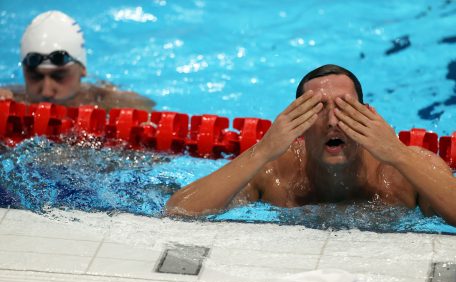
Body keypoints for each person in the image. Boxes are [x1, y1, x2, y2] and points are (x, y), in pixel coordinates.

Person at [166, 64, 456, 226]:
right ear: (298, 120)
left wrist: (397, 154)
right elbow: (179, 211)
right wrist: (262, 151)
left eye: (345, 108)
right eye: (317, 108)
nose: (332, 121)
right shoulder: (274, 173)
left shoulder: (405, 171)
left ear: (367, 115)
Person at [0, 10, 155, 111]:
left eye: (59, 76)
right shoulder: (10, 98)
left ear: (82, 69)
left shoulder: (113, 103)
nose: (46, 91)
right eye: (35, 76)